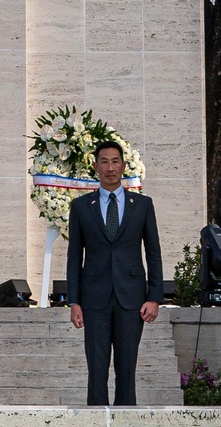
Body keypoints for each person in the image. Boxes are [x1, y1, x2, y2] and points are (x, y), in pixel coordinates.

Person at [66, 140, 163, 406]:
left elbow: (153, 252)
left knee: (126, 371)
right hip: (94, 300)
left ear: (123, 165)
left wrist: (154, 297)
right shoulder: (82, 206)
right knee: (96, 371)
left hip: (131, 299)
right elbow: (74, 256)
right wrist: (74, 301)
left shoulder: (142, 205)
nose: (110, 168)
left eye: (115, 161)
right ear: (96, 166)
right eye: (105, 162)